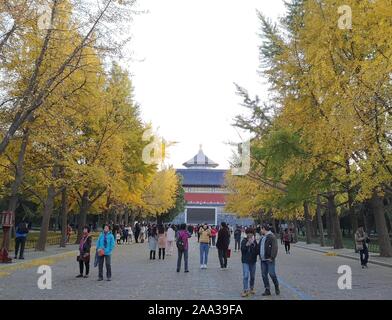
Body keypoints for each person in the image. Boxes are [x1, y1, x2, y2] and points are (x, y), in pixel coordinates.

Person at [259, 223, 280, 296]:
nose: (260, 230)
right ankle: (267, 289)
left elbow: (275, 247)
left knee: (272, 274)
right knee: (264, 275)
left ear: (264, 229)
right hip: (263, 259)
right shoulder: (262, 237)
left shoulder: (271, 237)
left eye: (261, 229)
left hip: (269, 259)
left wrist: (272, 257)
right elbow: (260, 247)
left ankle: (276, 286)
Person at [240, 228, 258, 297]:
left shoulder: (255, 242)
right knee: (246, 275)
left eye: (251, 233)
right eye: (248, 233)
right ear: (246, 234)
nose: (250, 234)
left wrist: (253, 244)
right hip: (245, 261)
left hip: (253, 261)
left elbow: (257, 251)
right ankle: (245, 290)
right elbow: (242, 250)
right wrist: (247, 244)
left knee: (252, 276)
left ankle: (251, 288)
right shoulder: (244, 241)